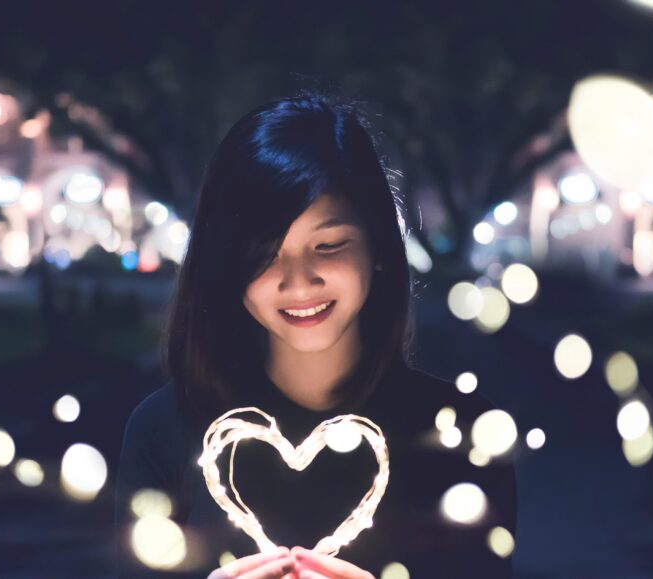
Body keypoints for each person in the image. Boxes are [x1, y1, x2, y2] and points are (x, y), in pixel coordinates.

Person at [115, 92, 517, 578]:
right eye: (264, 252)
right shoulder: (165, 431)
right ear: (226, 264)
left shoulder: (461, 435)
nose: (298, 280)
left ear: (379, 248)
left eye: (328, 245)